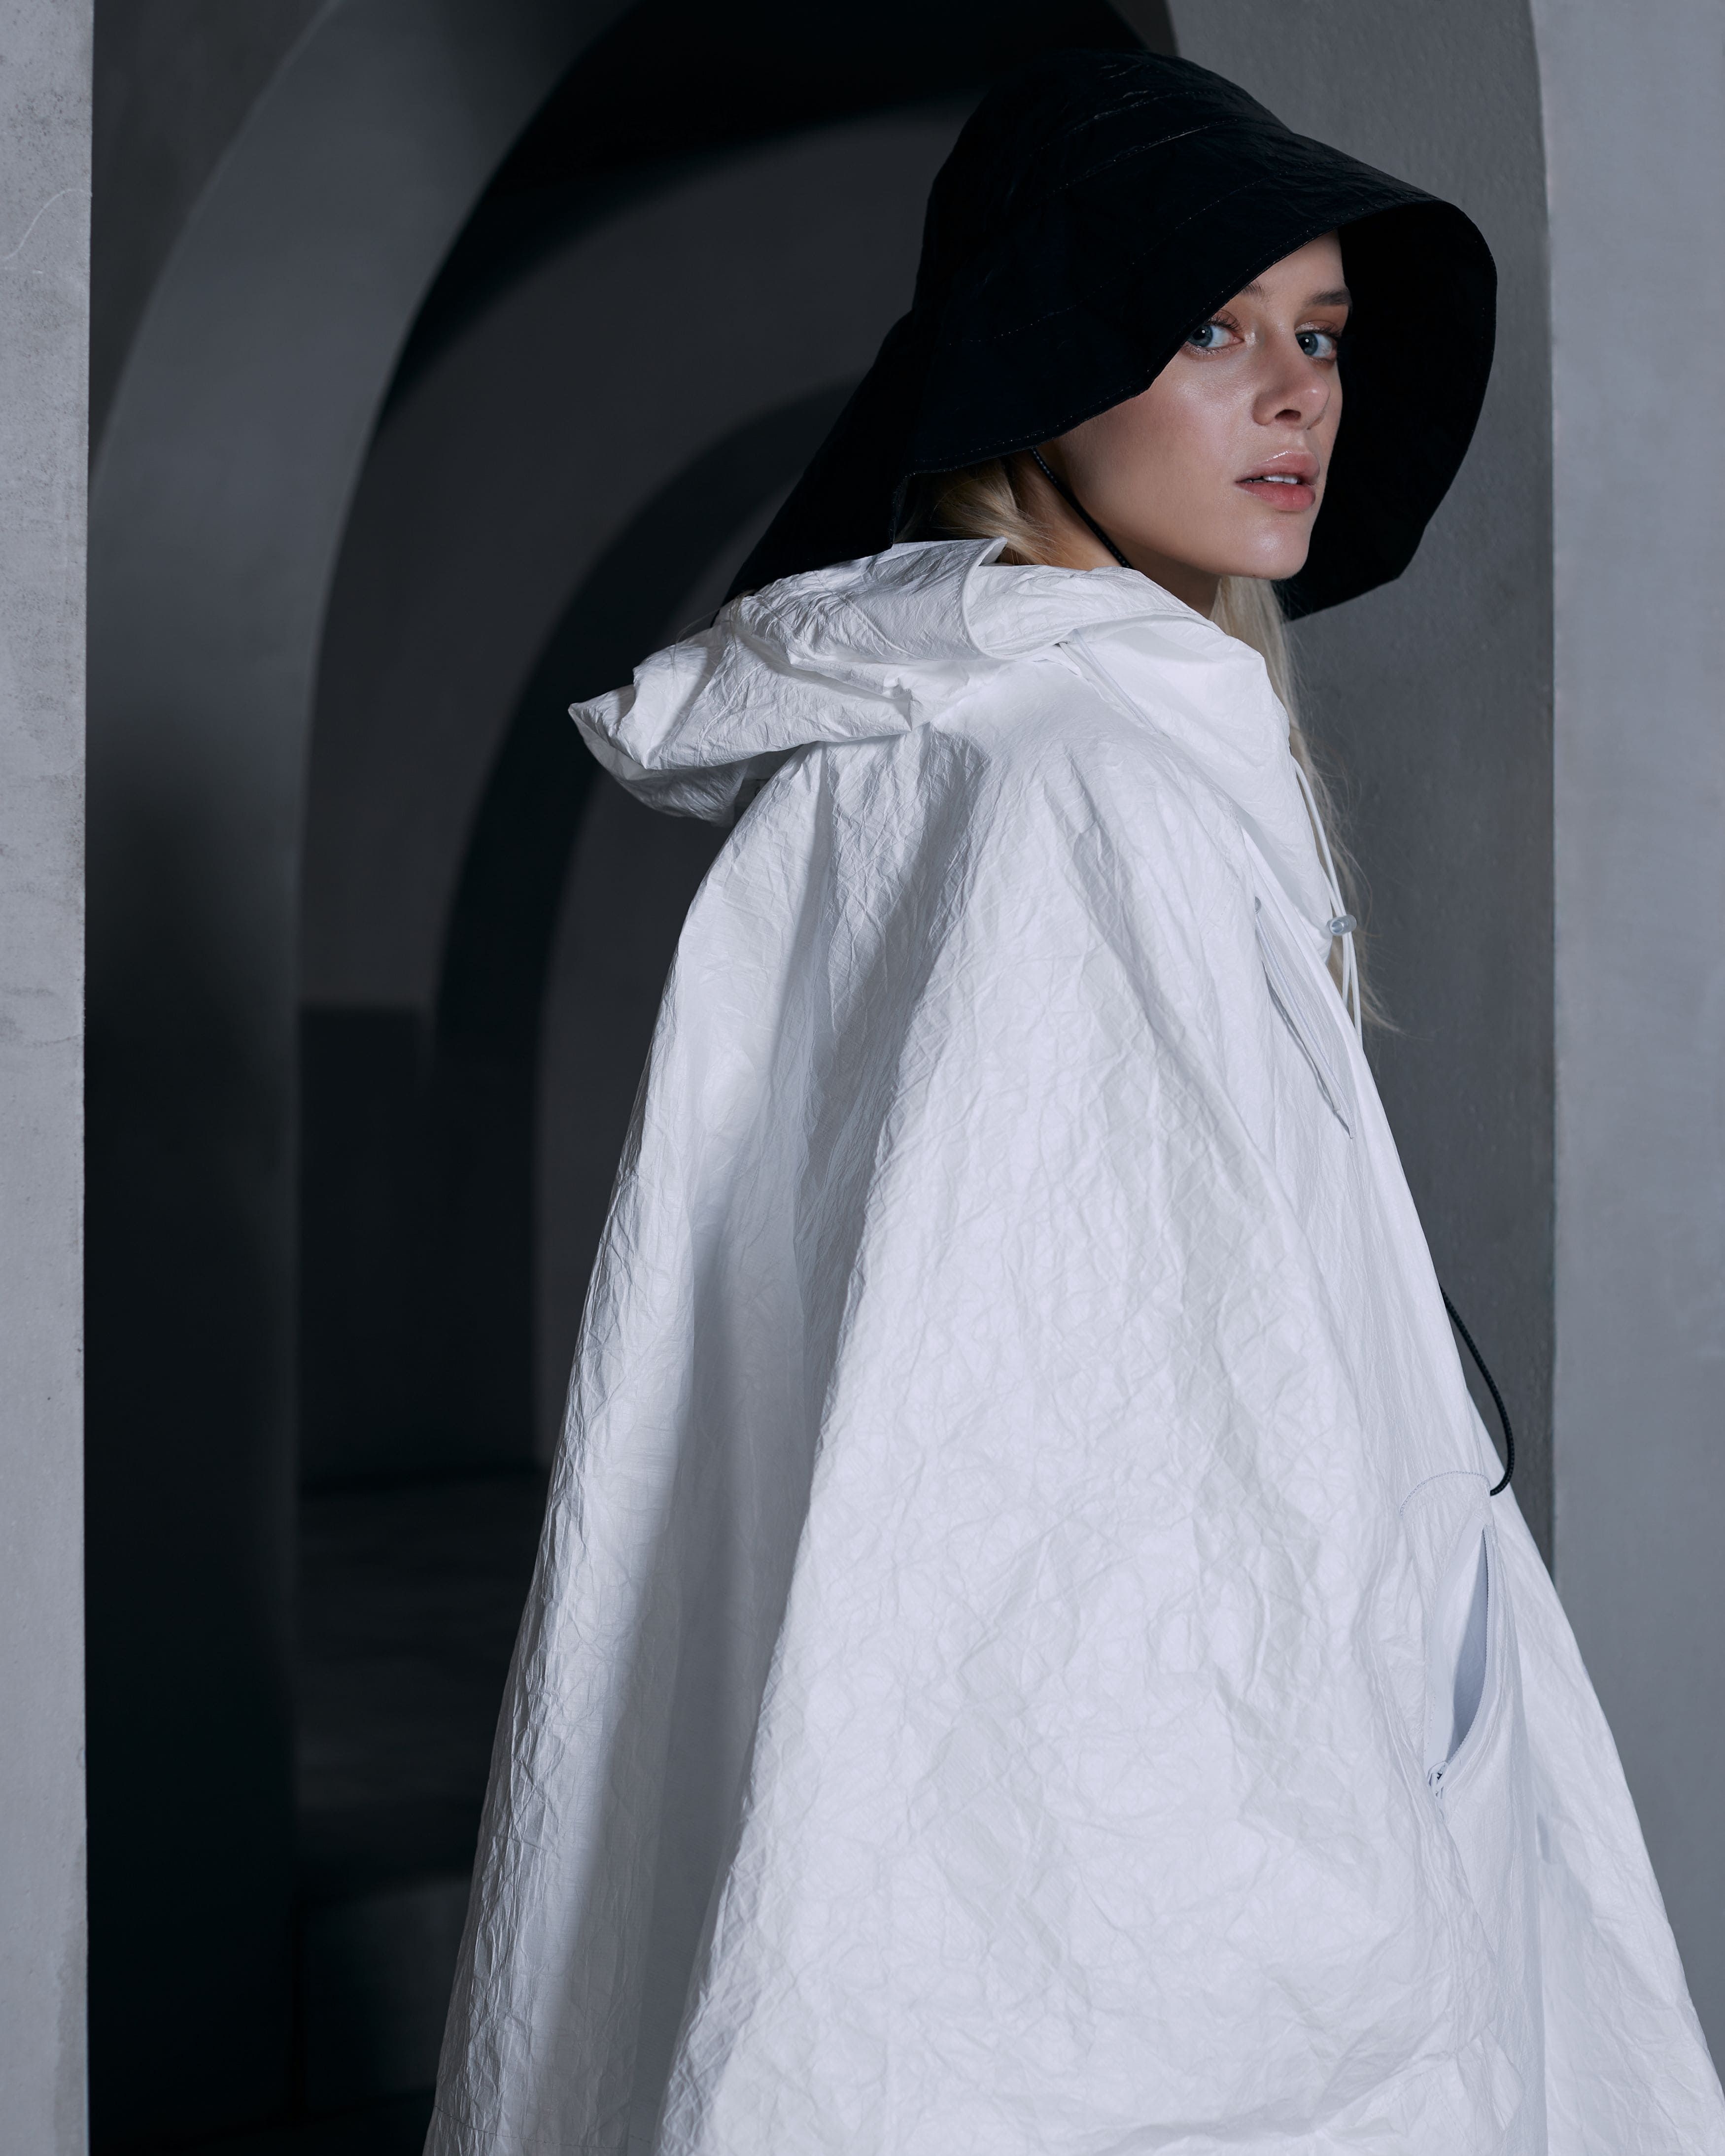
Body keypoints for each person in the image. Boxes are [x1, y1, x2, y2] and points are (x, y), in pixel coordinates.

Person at [429, 51, 1725, 2156]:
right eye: (1212, 327)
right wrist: (1327, 1861)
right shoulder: (1065, 772)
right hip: (1146, 1804)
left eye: (1319, 334)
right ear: (1043, 369)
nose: (1295, 394)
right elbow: (1063, 1456)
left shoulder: (1001, 729)